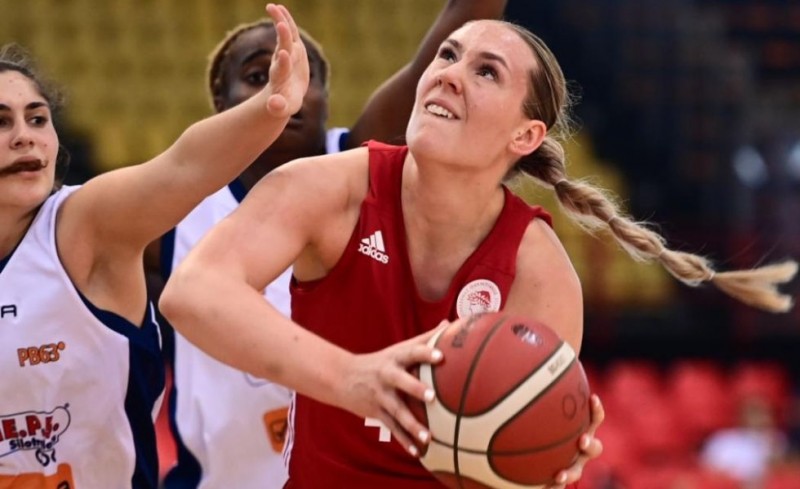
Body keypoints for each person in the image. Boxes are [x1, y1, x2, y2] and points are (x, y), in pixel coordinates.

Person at [160, 16, 796, 489]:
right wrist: (353, 379)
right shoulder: (330, 189)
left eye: (485, 71)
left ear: (526, 134)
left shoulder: (538, 270)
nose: (448, 74)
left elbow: (515, 460)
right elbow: (193, 291)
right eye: (448, 54)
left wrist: (542, 460)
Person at [144, 2, 517, 488]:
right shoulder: (177, 212)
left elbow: (464, 18)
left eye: (305, 77)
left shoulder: (361, 164)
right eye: (258, 76)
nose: (286, 88)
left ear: (325, 95)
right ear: (221, 99)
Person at [0, 3, 307, 488]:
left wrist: (270, 106)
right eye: (2, 122)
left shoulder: (83, 226)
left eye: (38, 119)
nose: (25, 137)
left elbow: (183, 166)